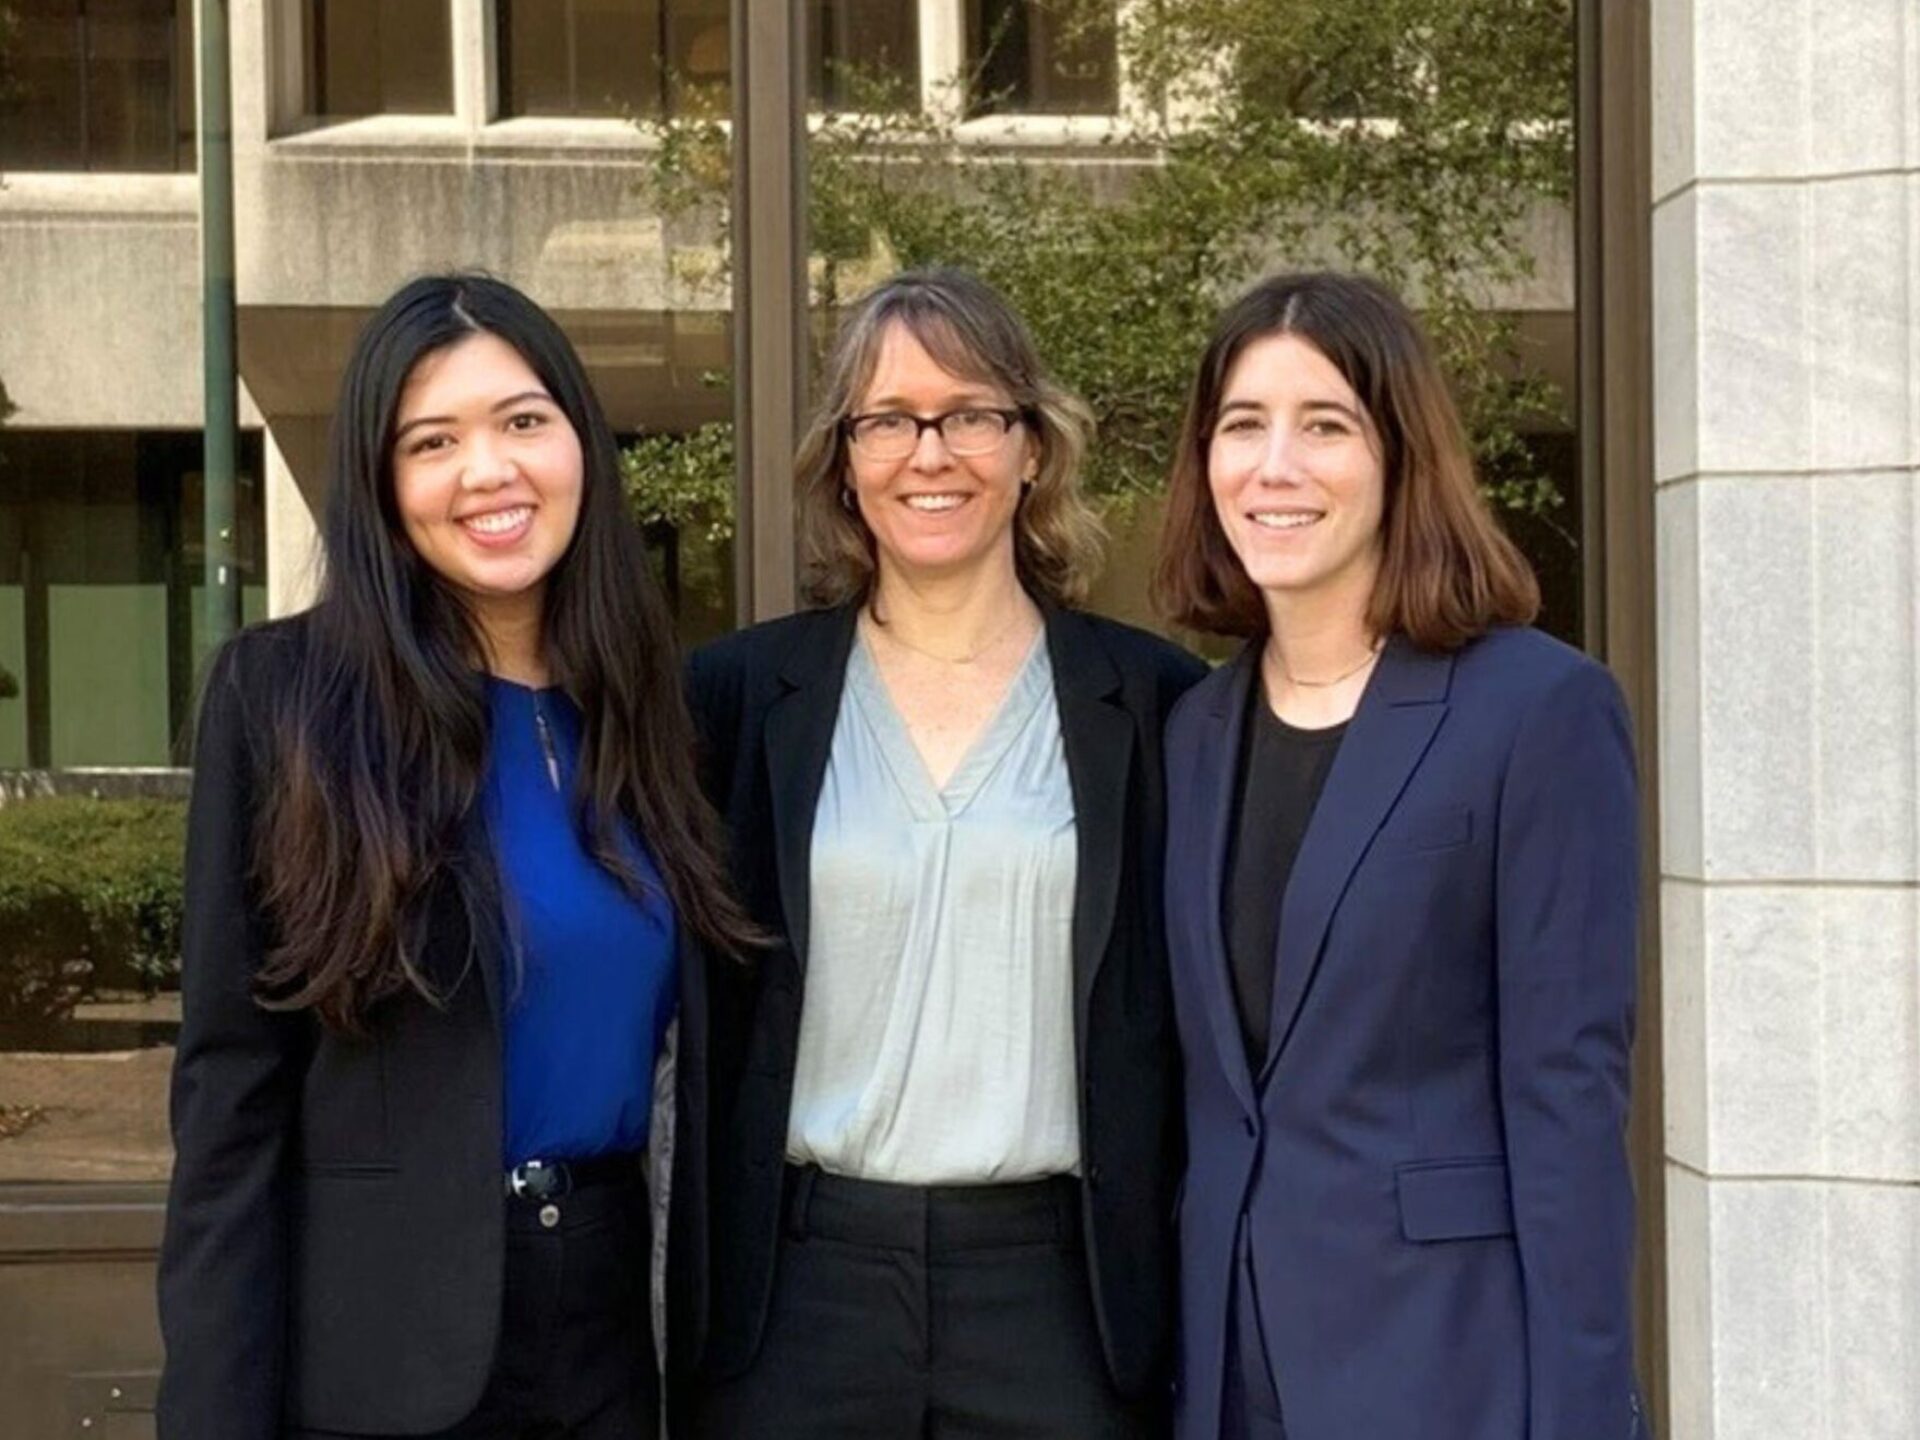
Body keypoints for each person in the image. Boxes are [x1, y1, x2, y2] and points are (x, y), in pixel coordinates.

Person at [157, 274, 753, 1440]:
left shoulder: (654, 717)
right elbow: (231, 1100)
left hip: (610, 1329)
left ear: (581, 441)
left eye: (524, 422)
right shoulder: (285, 701)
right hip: (382, 1352)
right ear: (384, 486)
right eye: (433, 440)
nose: (489, 471)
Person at [682, 267, 1205, 1437]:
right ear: (845, 461)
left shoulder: (1155, 704)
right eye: (888, 420)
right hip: (803, 1287)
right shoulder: (734, 699)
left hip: (1060, 1295)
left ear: (1031, 449)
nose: (931, 453)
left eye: (971, 414)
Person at [1154, 272, 1647, 1440]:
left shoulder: (1539, 710)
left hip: (1448, 1363)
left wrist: (1586, 1412)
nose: (1274, 466)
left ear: (1399, 456)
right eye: (1241, 426)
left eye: (1325, 424)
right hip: (1229, 1373)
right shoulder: (1191, 734)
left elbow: (1567, 1100)